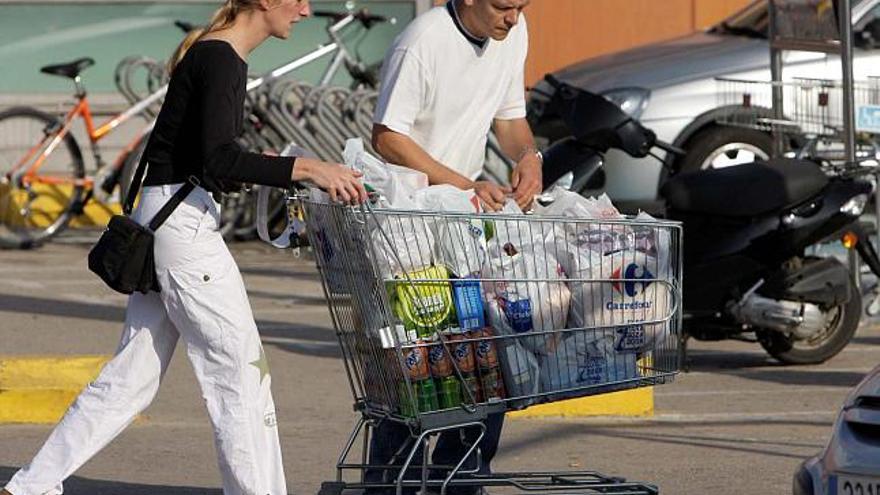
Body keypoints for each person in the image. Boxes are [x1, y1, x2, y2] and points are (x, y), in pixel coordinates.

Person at [2, 1, 366, 495]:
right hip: (184, 231)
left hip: (164, 218)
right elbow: (220, 159)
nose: (305, 9)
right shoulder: (222, 58)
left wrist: (281, 171)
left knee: (133, 377)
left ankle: (31, 485)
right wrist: (307, 168)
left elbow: (206, 159)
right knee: (240, 372)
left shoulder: (213, 53)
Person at [365, 0, 538, 493]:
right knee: (417, 375)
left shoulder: (512, 35)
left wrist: (528, 155)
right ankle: (385, 484)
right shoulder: (422, 40)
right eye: (504, 6)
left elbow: (510, 118)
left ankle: (460, 481)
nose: (514, 17)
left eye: (523, 6)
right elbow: (389, 137)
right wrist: (463, 184)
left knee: (486, 363)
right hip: (407, 232)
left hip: (461, 225)